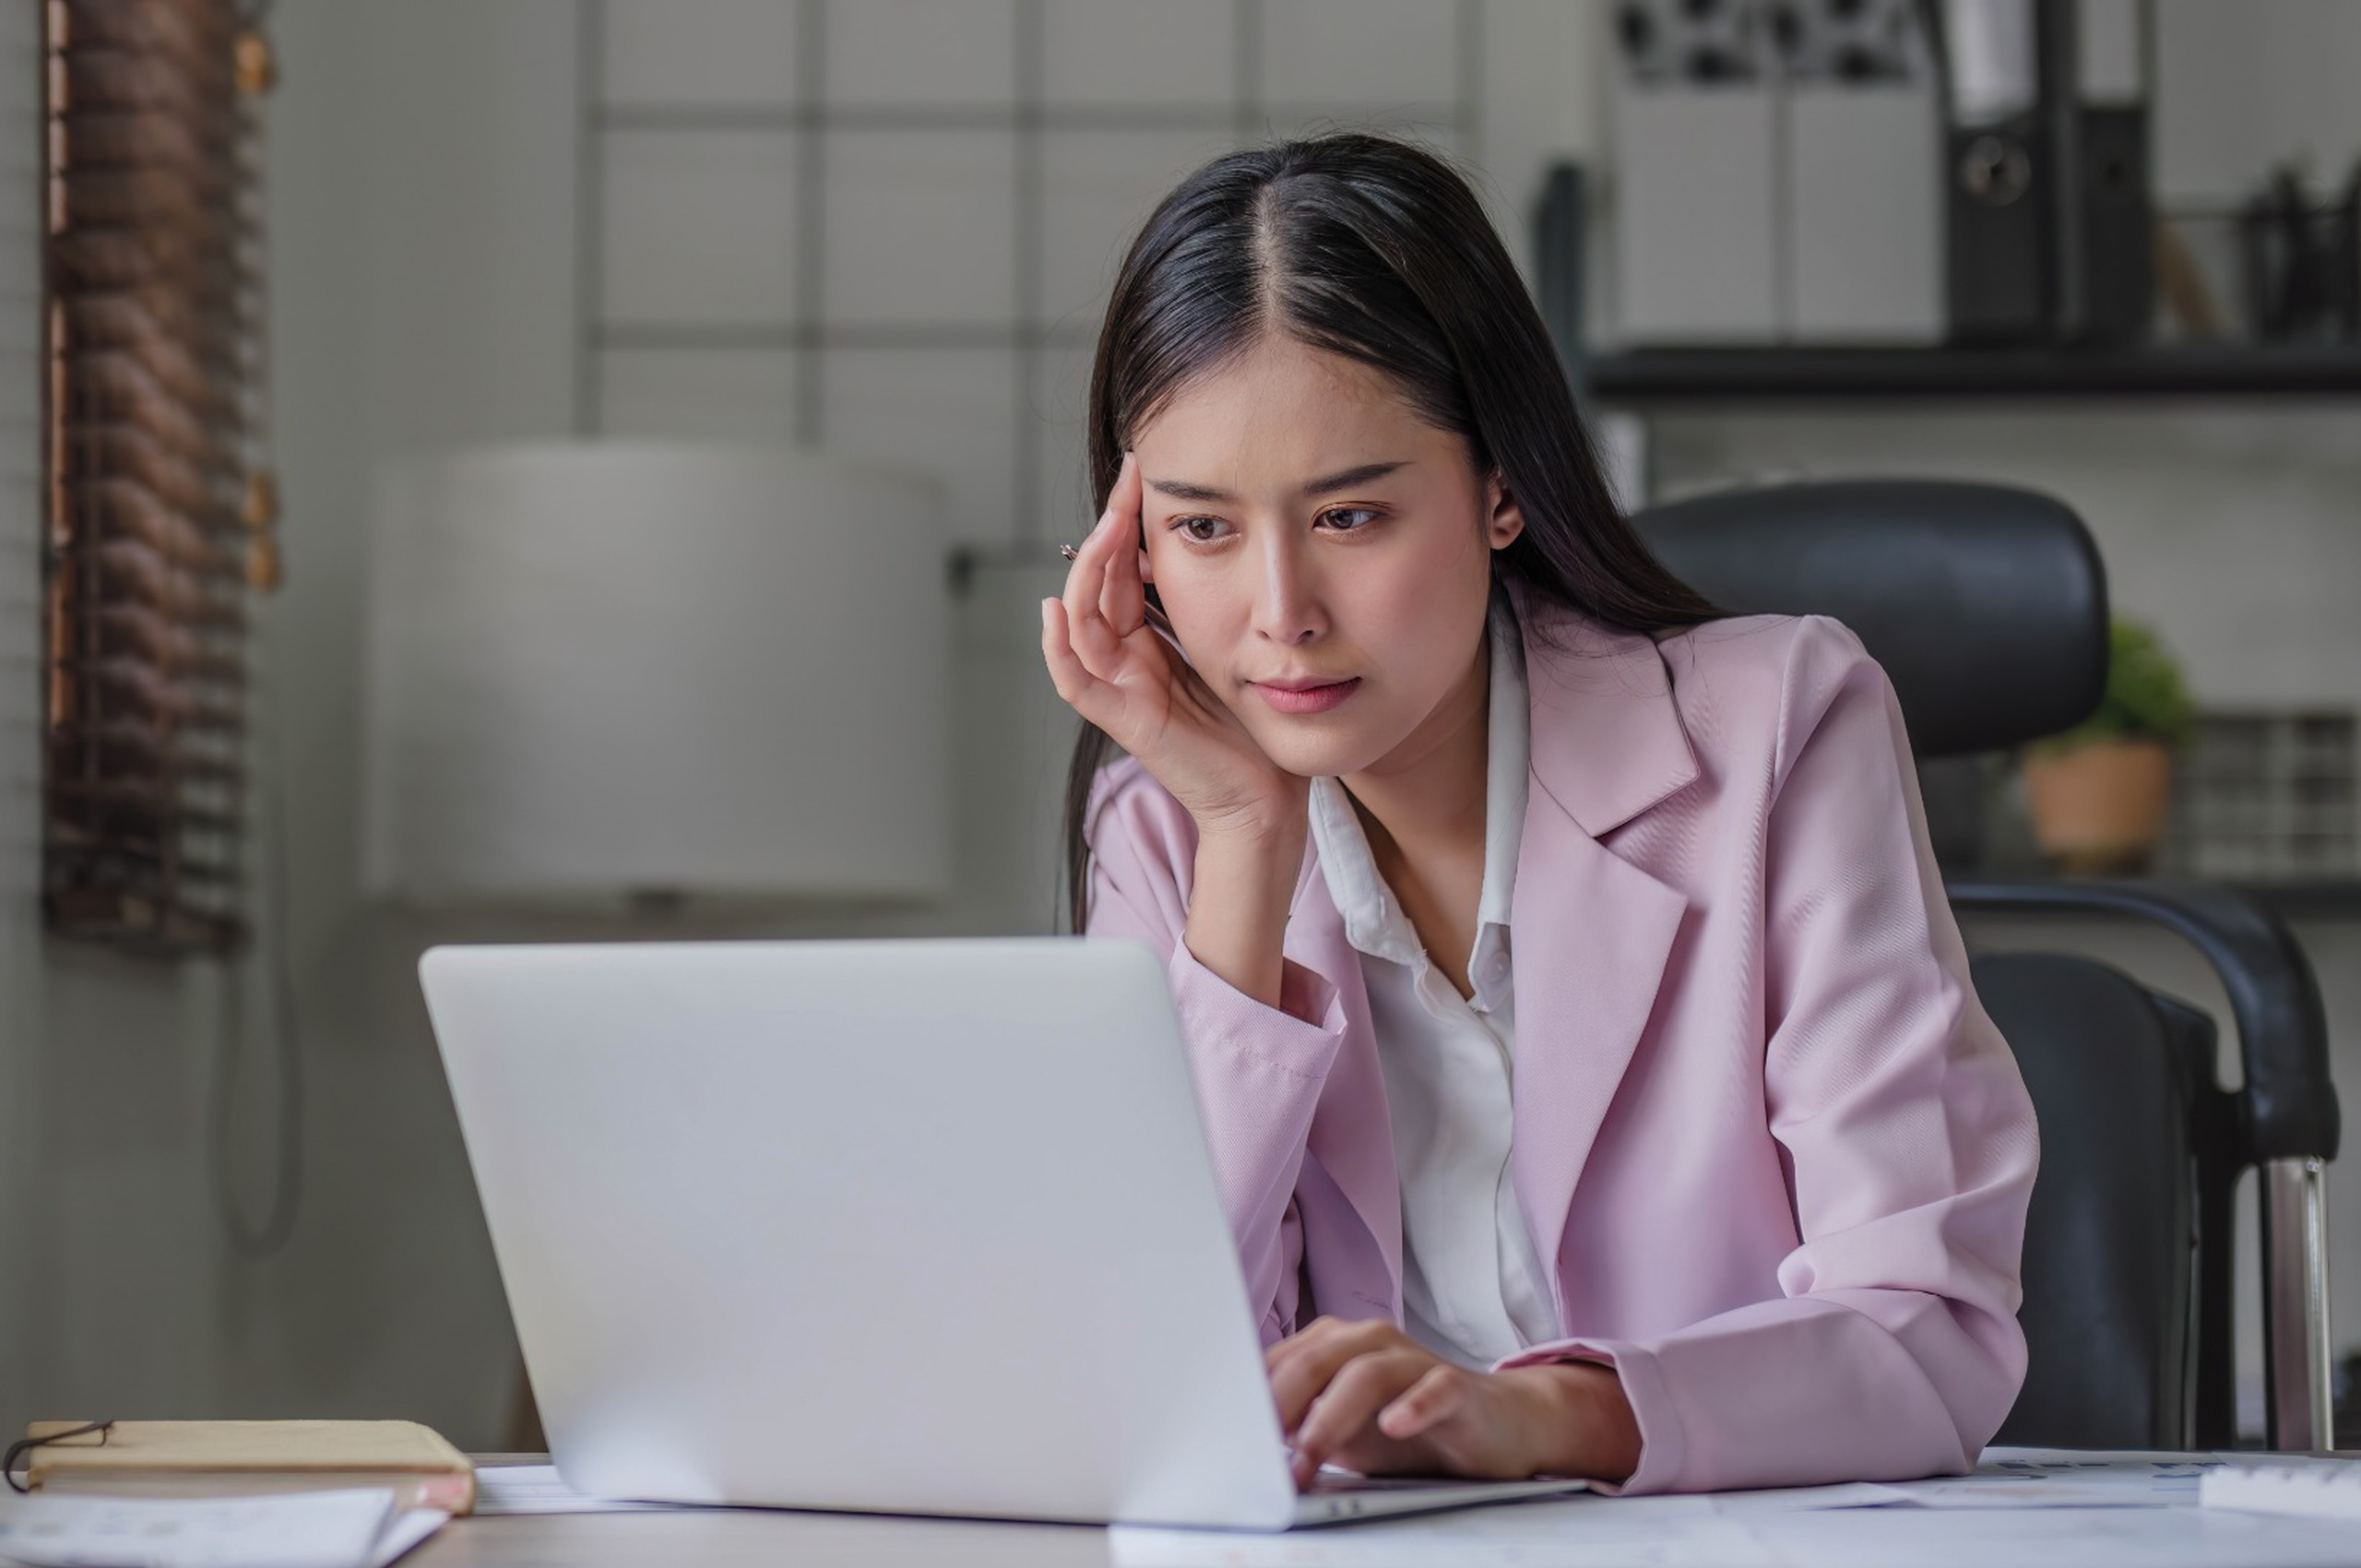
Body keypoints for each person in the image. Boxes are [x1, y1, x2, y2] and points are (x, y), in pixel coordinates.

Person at [1038, 132, 2037, 1497]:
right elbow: (1156, 1383)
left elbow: (1925, 1330)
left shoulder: (1781, 730)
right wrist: (1246, 846)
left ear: (1500, 487)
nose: (1279, 618)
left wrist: (1549, 1418)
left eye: (1351, 517)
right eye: (1204, 530)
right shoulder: (1166, 832)